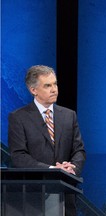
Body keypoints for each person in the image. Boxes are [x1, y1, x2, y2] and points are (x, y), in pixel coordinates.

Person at [8, 65, 86, 216]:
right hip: (34, 198)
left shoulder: (69, 116)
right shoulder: (18, 117)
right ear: (33, 90)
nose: (54, 89)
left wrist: (72, 168)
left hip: (65, 197)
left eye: (55, 84)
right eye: (47, 85)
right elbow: (18, 157)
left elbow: (79, 150)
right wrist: (51, 170)